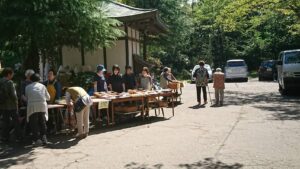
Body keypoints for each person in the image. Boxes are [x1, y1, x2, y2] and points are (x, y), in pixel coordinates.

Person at [26, 73, 50, 145]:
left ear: (31, 80)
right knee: (42, 122)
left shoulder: (27, 87)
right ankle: (44, 138)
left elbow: (27, 97)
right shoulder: (43, 86)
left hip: (32, 106)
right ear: (39, 79)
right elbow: (48, 98)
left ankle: (37, 140)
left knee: (34, 123)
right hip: (42, 105)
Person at [0, 67, 22, 143]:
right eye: (12, 74)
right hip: (11, 105)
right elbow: (13, 95)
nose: (12, 75)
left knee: (5, 121)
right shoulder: (10, 82)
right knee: (16, 121)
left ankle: (4, 137)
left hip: (2, 105)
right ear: (9, 74)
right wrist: (17, 102)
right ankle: (19, 137)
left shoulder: (0, 81)